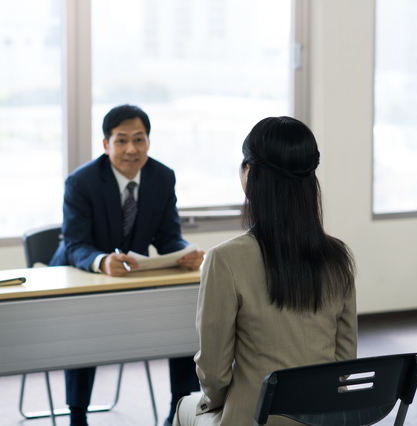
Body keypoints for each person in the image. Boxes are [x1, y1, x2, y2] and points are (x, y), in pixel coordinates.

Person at [174, 116, 357, 426]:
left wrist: (214, 403)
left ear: (250, 174)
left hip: (256, 418)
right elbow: (345, 359)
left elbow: (215, 372)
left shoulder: (225, 259)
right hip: (325, 417)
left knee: (184, 408)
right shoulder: (338, 257)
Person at [49, 104, 205, 426]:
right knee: (83, 329)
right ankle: (77, 415)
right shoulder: (82, 182)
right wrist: (102, 261)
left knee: (182, 316)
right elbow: (75, 243)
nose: (131, 149)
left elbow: (168, 237)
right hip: (81, 279)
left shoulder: (162, 177)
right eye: (121, 141)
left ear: (148, 142)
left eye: (139, 139)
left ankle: (179, 410)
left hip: (130, 282)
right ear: (106, 145)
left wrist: (185, 253)